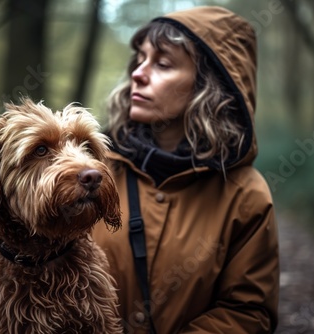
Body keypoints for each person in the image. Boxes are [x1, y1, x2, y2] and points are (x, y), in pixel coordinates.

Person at [93, 6, 279, 334]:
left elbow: (248, 313)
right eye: (141, 58)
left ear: (209, 86)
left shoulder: (246, 194)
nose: (138, 72)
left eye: (163, 63)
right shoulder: (92, 170)